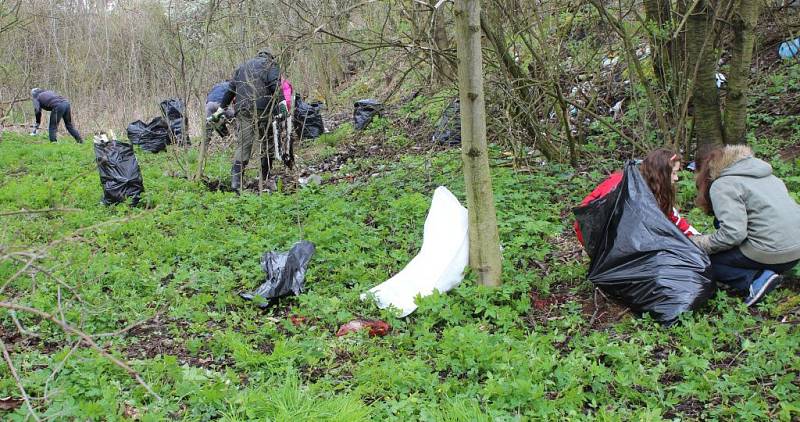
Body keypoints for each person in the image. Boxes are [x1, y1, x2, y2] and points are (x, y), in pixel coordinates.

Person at [692, 144, 800, 307]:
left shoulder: (723, 184)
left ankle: (756, 279)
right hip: (795, 250)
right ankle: (775, 271)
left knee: (702, 259)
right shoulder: (769, 176)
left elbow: (733, 235)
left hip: (770, 251)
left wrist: (699, 242)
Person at [575, 148, 698, 245]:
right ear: (662, 174)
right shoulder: (622, 184)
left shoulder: (656, 193)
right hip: (604, 240)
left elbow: (676, 221)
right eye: (674, 173)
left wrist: (699, 239)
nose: (676, 178)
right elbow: (586, 215)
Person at [219, 49, 282, 192]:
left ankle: (236, 182)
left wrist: (221, 108)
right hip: (263, 109)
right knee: (267, 142)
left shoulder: (243, 66)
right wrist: (282, 104)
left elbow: (230, 91)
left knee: (244, 143)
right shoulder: (271, 65)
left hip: (243, 109)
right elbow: (275, 87)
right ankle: (265, 177)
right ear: (269, 57)